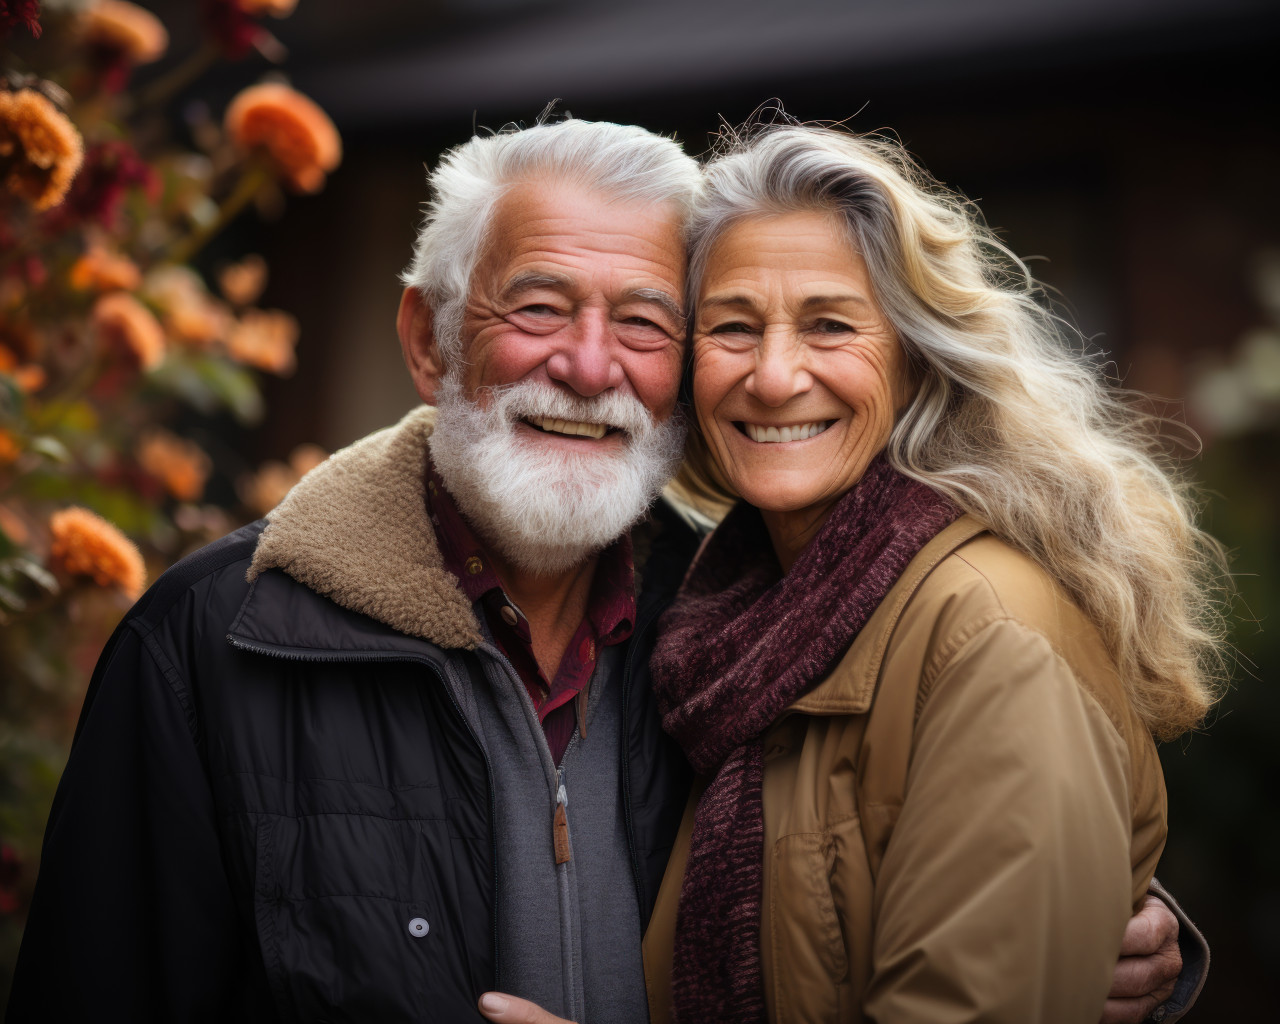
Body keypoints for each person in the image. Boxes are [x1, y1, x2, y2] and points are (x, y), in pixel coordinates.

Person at [7, 117, 1196, 1024]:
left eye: (643, 321)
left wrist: (1090, 925)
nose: (589, 367)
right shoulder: (213, 644)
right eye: (538, 305)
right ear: (429, 341)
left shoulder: (744, 622)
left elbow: (928, 863)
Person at [638, 123, 1226, 1022]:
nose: (773, 374)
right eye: (732, 327)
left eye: (830, 325)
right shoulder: (726, 615)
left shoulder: (988, 631)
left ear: (915, 361)